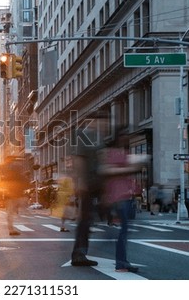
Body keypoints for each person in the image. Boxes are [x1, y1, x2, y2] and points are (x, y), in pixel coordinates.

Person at [98, 133, 148, 273]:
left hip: (125, 197)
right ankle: (120, 263)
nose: (127, 140)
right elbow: (107, 171)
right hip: (118, 198)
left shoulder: (123, 154)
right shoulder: (112, 154)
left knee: (124, 231)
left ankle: (121, 261)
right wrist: (130, 168)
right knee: (123, 232)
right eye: (124, 138)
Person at [70, 114, 106, 267]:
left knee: (88, 220)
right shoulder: (85, 135)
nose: (105, 124)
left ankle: (80, 253)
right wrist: (81, 182)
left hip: (95, 185)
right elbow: (78, 159)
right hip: (88, 186)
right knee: (85, 221)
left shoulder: (98, 137)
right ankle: (78, 254)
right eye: (103, 121)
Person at [0, 156, 30, 236]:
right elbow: (25, 183)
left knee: (10, 213)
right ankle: (12, 229)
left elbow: (4, 183)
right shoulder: (17, 172)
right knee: (12, 212)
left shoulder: (8, 172)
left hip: (12, 196)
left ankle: (11, 229)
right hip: (16, 195)